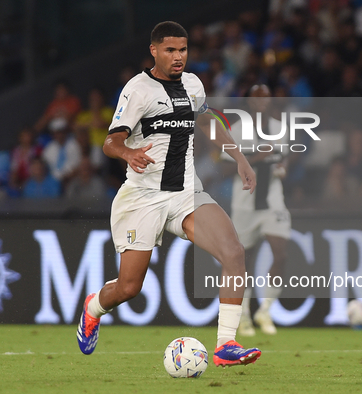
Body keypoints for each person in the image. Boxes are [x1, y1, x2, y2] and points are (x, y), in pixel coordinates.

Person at [76, 21, 261, 367]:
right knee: (129, 287)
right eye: (170, 50)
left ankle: (225, 345)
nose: (178, 57)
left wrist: (239, 157)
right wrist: (129, 153)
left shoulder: (192, 84)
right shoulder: (138, 90)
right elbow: (110, 141)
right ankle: (93, 307)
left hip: (185, 193)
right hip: (143, 198)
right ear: (154, 51)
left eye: (183, 50)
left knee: (233, 252)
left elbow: (208, 122)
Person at [219, 85, 291, 336]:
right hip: (245, 204)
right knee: (243, 261)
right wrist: (256, 158)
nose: (262, 102)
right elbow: (225, 170)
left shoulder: (279, 128)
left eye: (266, 97)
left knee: (280, 253)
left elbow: (284, 161)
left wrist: (282, 168)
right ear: (250, 102)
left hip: (272, 201)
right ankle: (245, 314)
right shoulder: (237, 131)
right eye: (257, 98)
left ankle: (266, 310)